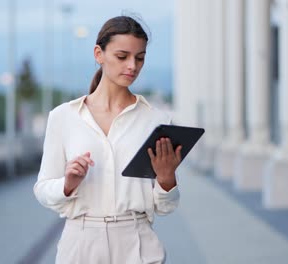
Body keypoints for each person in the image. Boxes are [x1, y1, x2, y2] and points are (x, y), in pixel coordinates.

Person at [34, 15, 182, 264]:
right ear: (98, 54)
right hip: (80, 245)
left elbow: (166, 207)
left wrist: (167, 179)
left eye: (140, 58)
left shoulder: (156, 120)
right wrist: (67, 184)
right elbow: (42, 190)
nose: (132, 66)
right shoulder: (63, 117)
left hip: (137, 244)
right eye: (122, 57)